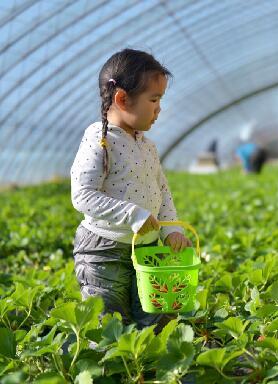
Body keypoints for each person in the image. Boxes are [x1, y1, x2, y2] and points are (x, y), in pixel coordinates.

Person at [70, 48, 192, 334]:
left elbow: (162, 190)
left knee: (155, 315)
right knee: (108, 321)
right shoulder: (99, 140)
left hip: (146, 248)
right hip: (105, 250)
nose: (159, 109)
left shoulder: (147, 145)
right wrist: (133, 214)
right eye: (154, 99)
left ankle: (150, 369)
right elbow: (83, 194)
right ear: (122, 99)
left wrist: (172, 229)